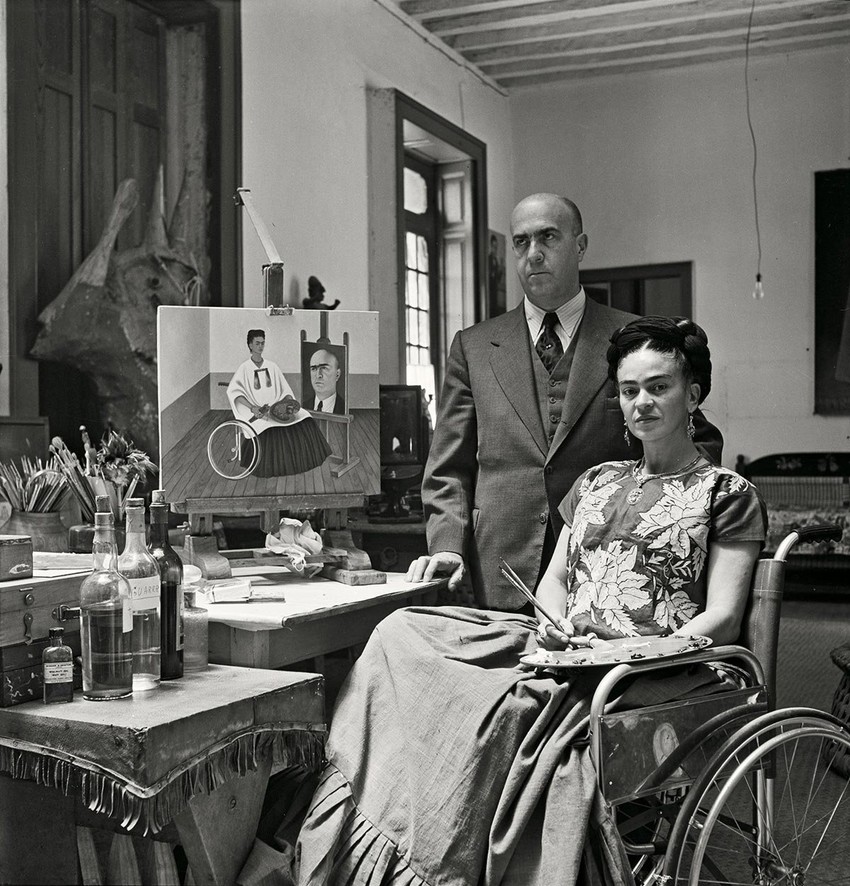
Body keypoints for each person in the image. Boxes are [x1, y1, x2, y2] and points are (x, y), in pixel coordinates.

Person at [293, 316, 766, 885]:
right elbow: (556, 580)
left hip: (656, 669)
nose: (641, 402)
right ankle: (376, 822)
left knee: (501, 709)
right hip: (569, 652)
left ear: (692, 394)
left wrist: (633, 651)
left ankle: (450, 855)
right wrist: (554, 624)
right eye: (628, 390)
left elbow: (723, 617)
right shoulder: (596, 482)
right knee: (402, 631)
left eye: (658, 387)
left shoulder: (725, 493)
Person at [407, 193, 723, 609]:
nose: (534, 254)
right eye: (521, 242)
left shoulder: (635, 340)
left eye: (548, 237)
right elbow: (448, 467)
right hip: (501, 567)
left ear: (580, 245)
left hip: (611, 570)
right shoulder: (474, 347)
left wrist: (653, 520)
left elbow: (698, 442)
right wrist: (447, 544)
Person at [227, 329, 331, 477]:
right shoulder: (244, 368)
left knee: (305, 416)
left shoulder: (272, 366)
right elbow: (235, 392)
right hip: (259, 411)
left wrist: (287, 401)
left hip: (276, 406)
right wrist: (252, 407)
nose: (260, 346)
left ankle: (306, 459)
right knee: (266, 426)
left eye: (263, 343)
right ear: (250, 345)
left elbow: (285, 389)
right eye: (257, 343)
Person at [308, 348, 346, 414]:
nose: (318, 375)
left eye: (324, 368)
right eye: (313, 369)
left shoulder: (344, 408)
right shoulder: (303, 407)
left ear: (337, 374)